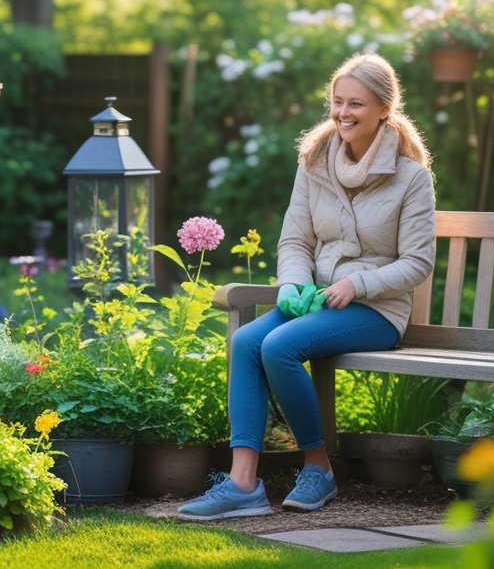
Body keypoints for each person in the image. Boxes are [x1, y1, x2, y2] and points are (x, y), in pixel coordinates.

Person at [178, 52, 437, 520]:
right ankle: (243, 484)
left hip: (376, 310)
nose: (342, 113)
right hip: (315, 302)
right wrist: (292, 285)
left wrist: (357, 283)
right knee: (246, 340)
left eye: (355, 103)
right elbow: (296, 240)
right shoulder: (314, 162)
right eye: (337, 102)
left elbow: (417, 263)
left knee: (279, 346)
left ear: (384, 109)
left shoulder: (411, 177)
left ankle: (319, 469)